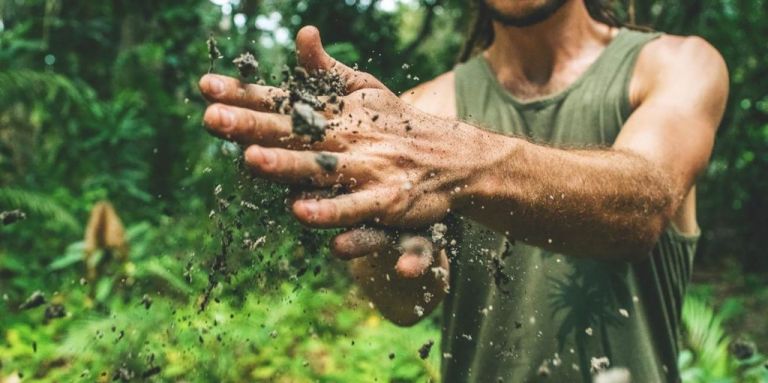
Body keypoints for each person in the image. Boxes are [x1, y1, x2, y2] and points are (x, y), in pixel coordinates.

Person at [198, 0, 728, 381]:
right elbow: (407, 305)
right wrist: (392, 250)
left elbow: (642, 204)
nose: (439, 153)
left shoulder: (676, 65)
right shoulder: (422, 112)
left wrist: (458, 163)